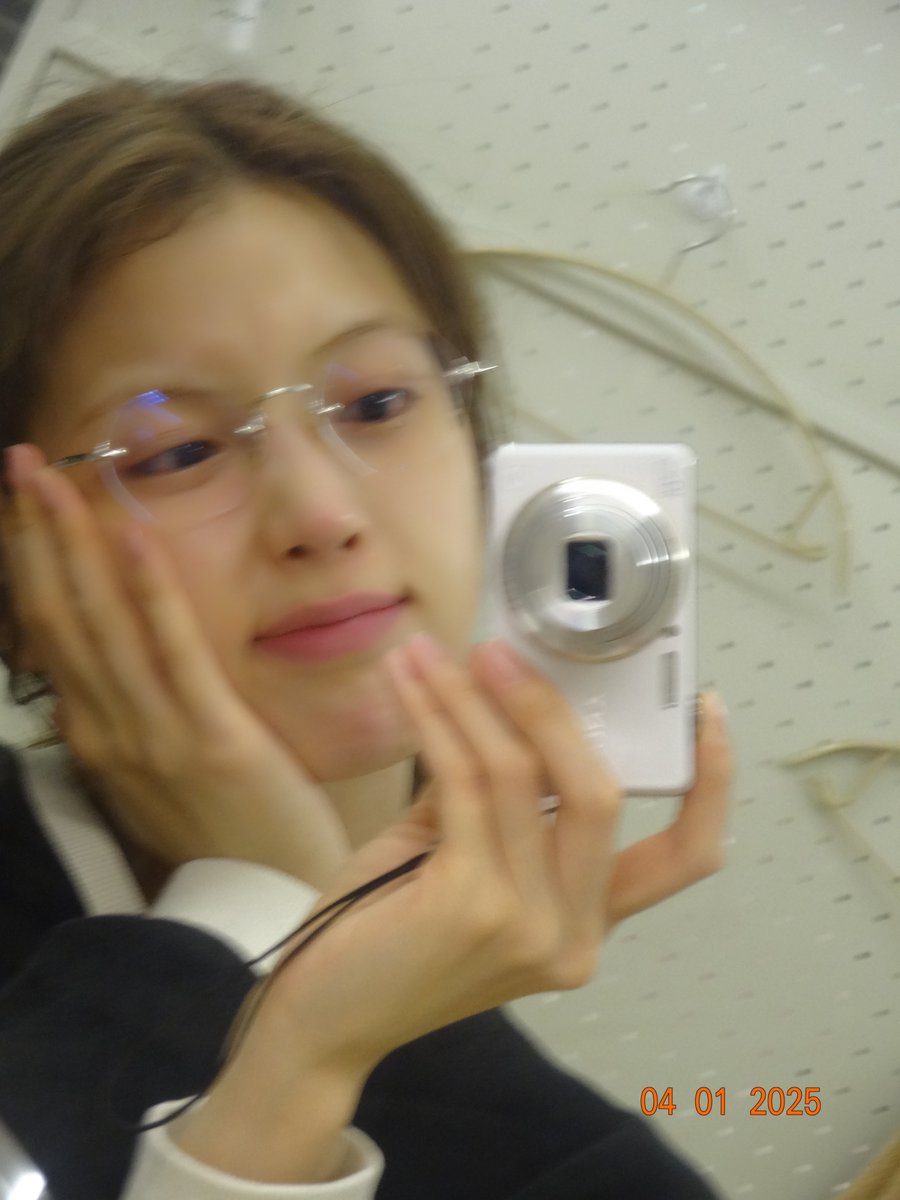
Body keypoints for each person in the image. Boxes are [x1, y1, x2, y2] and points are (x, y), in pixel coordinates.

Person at [0, 77, 733, 1200]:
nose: (321, 512)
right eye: (176, 453)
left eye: (379, 404)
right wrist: (256, 903)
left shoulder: (580, 1176)